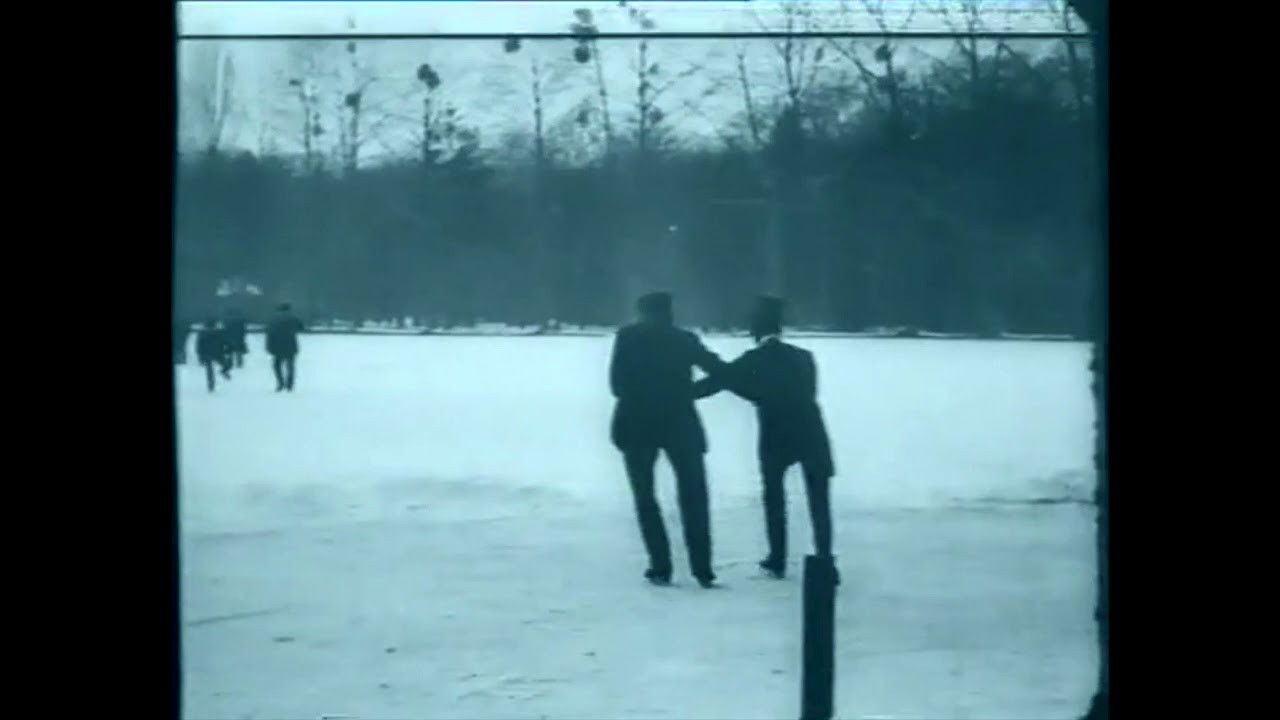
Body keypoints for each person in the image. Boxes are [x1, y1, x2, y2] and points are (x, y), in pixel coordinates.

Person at [693, 296, 836, 581]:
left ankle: (777, 558)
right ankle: (825, 556)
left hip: (776, 433)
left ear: (755, 333)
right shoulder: (804, 357)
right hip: (812, 431)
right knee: (819, 499)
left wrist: (673, 393)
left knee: (774, 497)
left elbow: (717, 382)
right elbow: (806, 391)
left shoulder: (753, 360)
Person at [610, 292, 725, 588]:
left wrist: (642, 395)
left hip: (636, 425)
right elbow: (722, 374)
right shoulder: (684, 339)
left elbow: (617, 384)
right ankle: (702, 568)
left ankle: (660, 566)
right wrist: (689, 393)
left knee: (646, 498)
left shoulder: (628, 338)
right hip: (680, 423)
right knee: (694, 497)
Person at [266, 303, 304, 392]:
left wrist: (268, 346)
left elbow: (269, 333)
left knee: (277, 365)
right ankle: (289, 385)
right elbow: (301, 327)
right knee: (290, 366)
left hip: (277, 346)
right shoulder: (293, 318)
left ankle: (280, 383)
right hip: (291, 345)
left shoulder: (274, 320)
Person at [195, 318, 227, 392]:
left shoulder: (202, 332)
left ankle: (211, 384)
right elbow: (223, 342)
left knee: (209, 369)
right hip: (217, 352)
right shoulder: (219, 332)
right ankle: (224, 372)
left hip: (206, 353)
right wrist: (223, 351)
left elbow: (199, 345)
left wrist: (200, 355)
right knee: (223, 364)